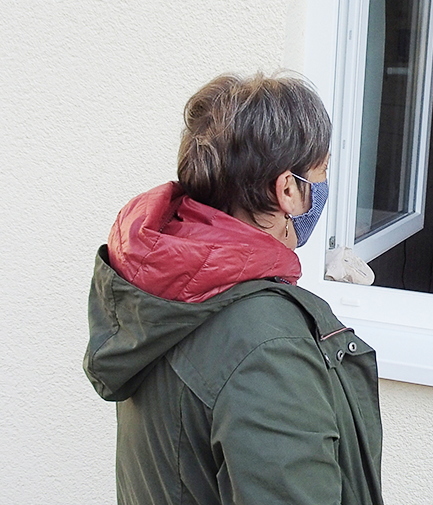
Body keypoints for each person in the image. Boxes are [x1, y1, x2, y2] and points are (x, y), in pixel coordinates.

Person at [83, 73, 383, 505]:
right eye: (322, 171)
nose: (324, 187)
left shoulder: (162, 292)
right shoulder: (267, 346)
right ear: (287, 190)